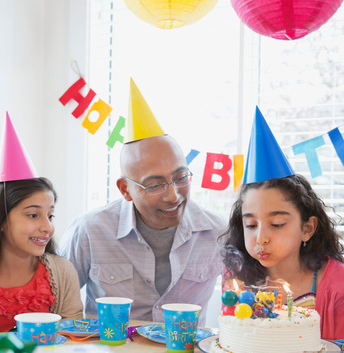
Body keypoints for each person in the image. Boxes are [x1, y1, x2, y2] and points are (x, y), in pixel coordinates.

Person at [59, 79, 224, 322]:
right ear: (125, 189)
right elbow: (59, 308)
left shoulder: (220, 232)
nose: (173, 195)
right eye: (155, 184)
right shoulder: (89, 231)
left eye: (180, 177)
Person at [221, 107, 344, 339]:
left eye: (276, 224)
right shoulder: (237, 275)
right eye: (251, 225)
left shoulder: (336, 281)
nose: (261, 238)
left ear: (307, 228)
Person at [0, 113, 83, 334]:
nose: (47, 227)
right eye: (32, 215)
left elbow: (73, 338)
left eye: (50, 215)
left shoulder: (62, 272)